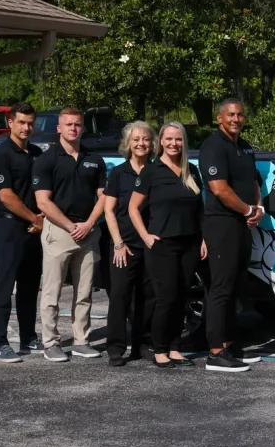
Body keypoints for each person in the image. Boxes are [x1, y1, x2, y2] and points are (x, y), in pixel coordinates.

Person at [129, 122, 206, 368]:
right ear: (161, 141)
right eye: (169, 139)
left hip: (190, 243)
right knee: (166, 298)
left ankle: (175, 348)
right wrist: (146, 236)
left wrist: (203, 239)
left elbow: (199, 210)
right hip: (162, 245)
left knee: (182, 297)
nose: (174, 144)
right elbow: (133, 208)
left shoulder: (190, 170)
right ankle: (159, 349)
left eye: (179, 139)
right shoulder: (151, 171)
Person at [33, 107, 107, 362]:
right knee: (52, 292)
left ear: (82, 128)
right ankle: (51, 342)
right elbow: (43, 202)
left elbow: (103, 197)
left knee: (84, 292)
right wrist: (69, 226)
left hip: (88, 232)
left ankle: (81, 340)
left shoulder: (94, 160)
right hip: (59, 232)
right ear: (59, 128)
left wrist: (89, 223)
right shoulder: (46, 160)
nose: (73, 128)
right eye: (68, 124)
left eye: (77, 124)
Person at [199, 98, 263, 373]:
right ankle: (215, 353)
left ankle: (228, 346)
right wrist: (248, 209)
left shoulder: (245, 147)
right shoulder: (213, 147)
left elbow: (253, 182)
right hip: (222, 224)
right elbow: (219, 190)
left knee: (236, 286)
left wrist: (257, 208)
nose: (236, 119)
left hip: (242, 224)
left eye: (240, 115)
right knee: (220, 288)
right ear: (219, 118)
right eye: (231, 115)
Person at [0, 102, 44, 363]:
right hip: (9, 225)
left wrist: (39, 218)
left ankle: (28, 337)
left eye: (30, 123)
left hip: (33, 227)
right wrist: (34, 217)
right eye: (21, 122)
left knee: (30, 285)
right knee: (5, 285)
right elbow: (6, 196)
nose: (26, 127)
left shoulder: (36, 153)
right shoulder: (1, 155)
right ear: (11, 122)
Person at [103, 121, 156, 366]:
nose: (141, 143)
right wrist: (118, 243)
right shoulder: (118, 173)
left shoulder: (157, 172)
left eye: (145, 139)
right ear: (128, 144)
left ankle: (142, 344)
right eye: (136, 140)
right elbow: (109, 210)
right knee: (120, 297)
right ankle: (115, 348)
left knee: (148, 297)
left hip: (151, 245)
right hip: (124, 245)